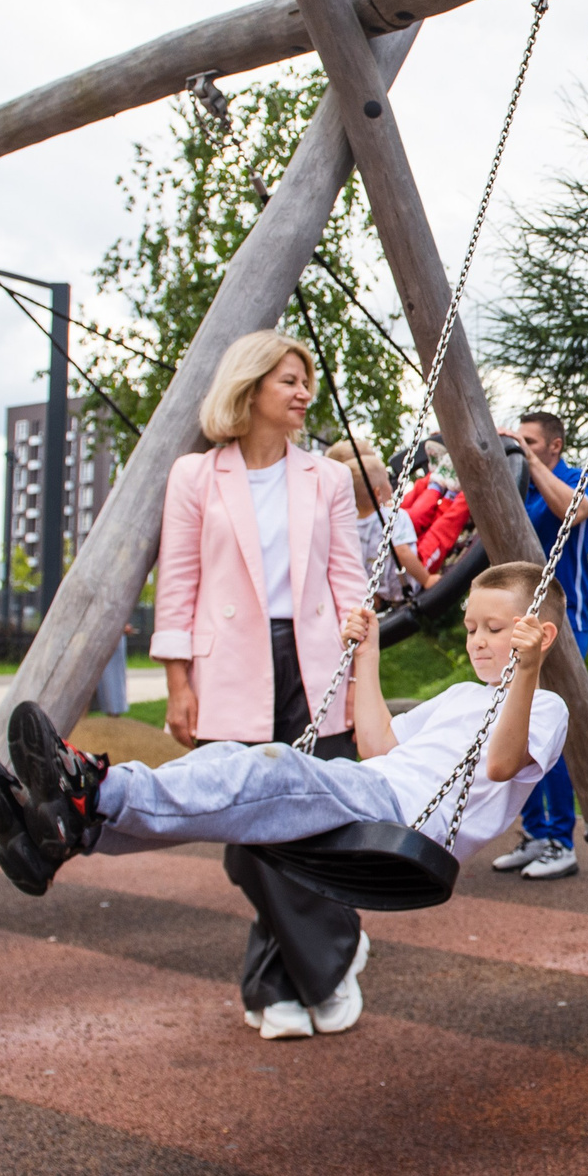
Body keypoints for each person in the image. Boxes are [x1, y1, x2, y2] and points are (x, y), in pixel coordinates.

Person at [0, 565, 569, 908]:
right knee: (232, 765)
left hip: (407, 823)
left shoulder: (544, 705)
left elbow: (499, 764)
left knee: (270, 770)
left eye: (495, 628)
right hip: (370, 787)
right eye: (471, 628)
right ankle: (62, 831)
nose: (479, 641)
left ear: (536, 635)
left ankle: (92, 790)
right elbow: (379, 748)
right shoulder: (460, 697)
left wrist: (529, 671)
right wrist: (370, 654)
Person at [147, 331, 374, 1042]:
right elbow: (178, 581)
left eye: (306, 379)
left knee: (313, 815)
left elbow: (347, 576)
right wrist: (177, 682)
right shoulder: (195, 476)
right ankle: (333, 945)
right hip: (230, 664)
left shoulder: (327, 478)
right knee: (245, 827)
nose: (304, 392)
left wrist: (361, 671)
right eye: (289, 380)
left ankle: (272, 983)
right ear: (248, 390)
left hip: (315, 658)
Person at [489, 410, 588, 883]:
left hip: (562, 624)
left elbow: (574, 511)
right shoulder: (517, 483)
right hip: (512, 622)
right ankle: (535, 832)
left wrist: (528, 460)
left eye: (530, 442)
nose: (518, 449)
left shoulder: (575, 478)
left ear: (553, 445)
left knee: (548, 728)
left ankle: (560, 837)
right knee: (514, 725)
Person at [326, 438, 434, 606]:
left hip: (385, 587)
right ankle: (436, 484)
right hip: (406, 578)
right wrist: (426, 580)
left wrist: (374, 597)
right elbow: (401, 551)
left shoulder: (352, 520)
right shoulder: (344, 511)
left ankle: (431, 481)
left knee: (408, 503)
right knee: (421, 516)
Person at [400, 441, 471, 571]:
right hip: (414, 571)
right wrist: (425, 580)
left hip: (403, 543)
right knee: (438, 533)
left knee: (405, 515)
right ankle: (463, 492)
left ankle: (437, 479)